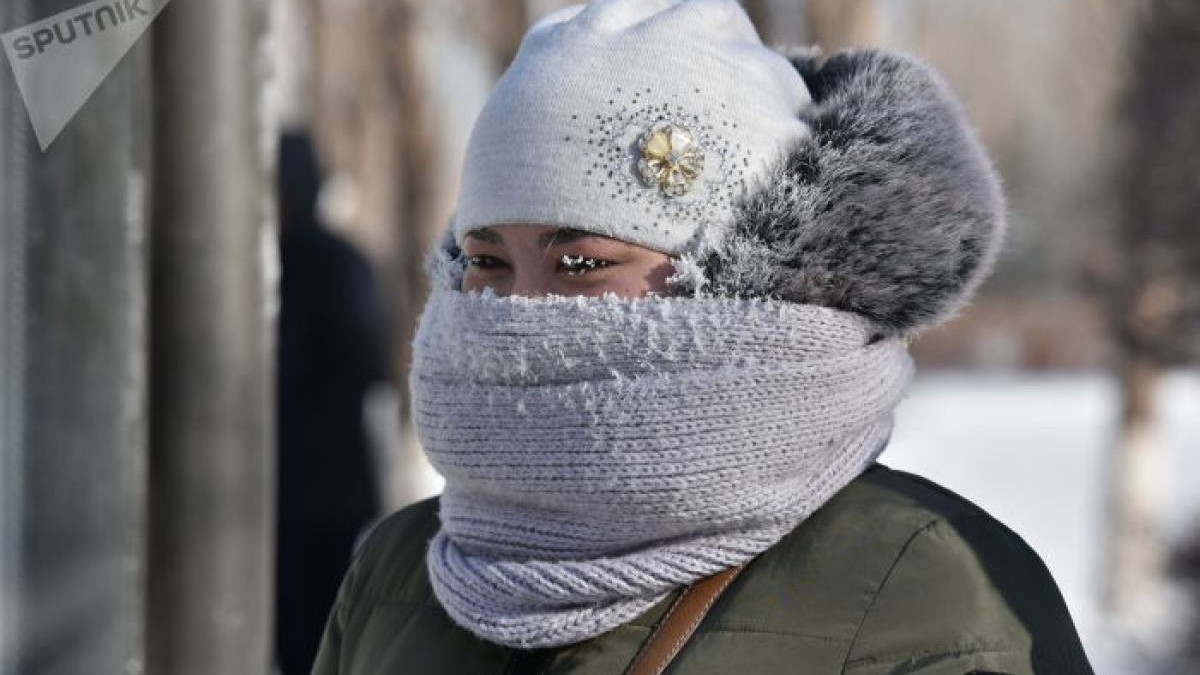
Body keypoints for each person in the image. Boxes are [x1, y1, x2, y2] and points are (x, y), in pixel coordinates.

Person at [311, 1, 1095, 673]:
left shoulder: (929, 588)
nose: (519, 307)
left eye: (581, 263)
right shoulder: (397, 570)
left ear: (726, 279)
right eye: (486, 261)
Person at [276, 132, 388, 675]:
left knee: (312, 633)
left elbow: (368, 360)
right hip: (303, 489)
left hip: (319, 490)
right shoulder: (329, 262)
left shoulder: (331, 265)